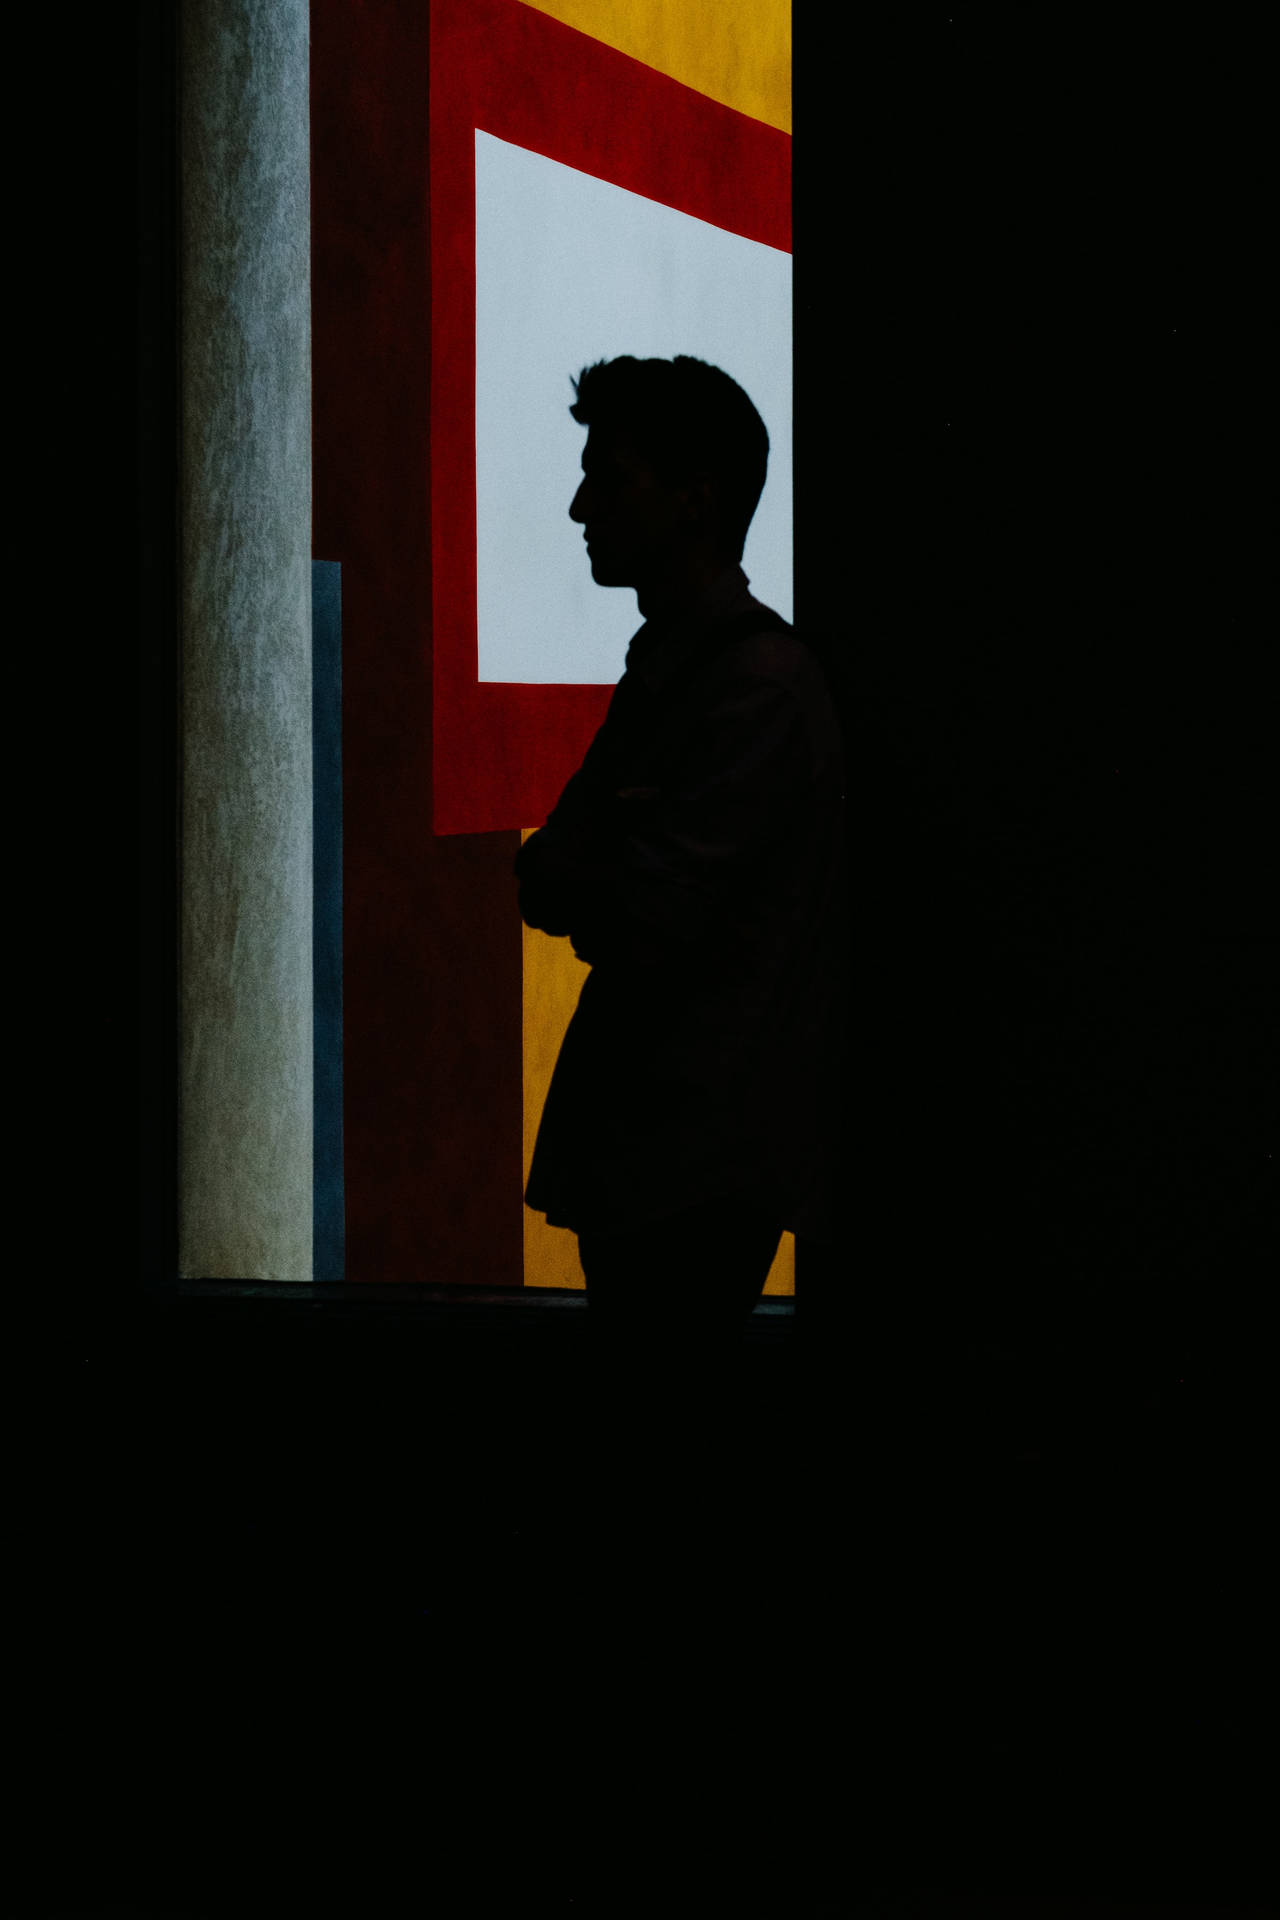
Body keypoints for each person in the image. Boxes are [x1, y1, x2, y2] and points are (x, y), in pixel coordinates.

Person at [516, 356, 845, 1456]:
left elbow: (612, 907)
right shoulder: (692, 666)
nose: (579, 507)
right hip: (667, 1149)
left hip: (687, 1158)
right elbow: (564, 879)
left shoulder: (745, 683)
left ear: (693, 496)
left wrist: (596, 882)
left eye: (608, 478)